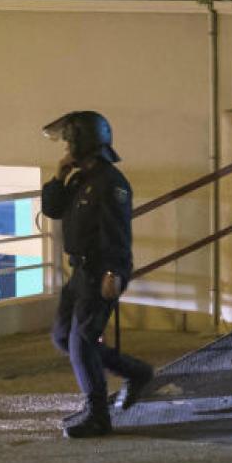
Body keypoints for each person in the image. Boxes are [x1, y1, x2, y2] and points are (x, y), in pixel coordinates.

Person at [40, 110, 154, 440]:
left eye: (69, 142)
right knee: (63, 337)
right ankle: (137, 373)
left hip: (100, 271)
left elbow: (118, 234)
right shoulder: (80, 179)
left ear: (83, 143)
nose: (65, 148)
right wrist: (58, 176)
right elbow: (52, 209)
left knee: (82, 343)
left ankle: (98, 415)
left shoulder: (111, 183)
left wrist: (113, 272)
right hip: (80, 271)